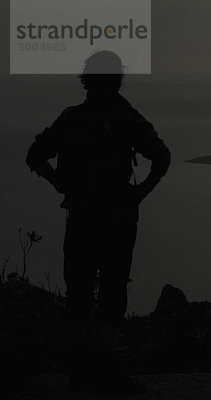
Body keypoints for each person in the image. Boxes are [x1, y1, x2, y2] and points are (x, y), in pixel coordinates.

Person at [26, 50, 170, 394]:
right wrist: (140, 193)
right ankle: (105, 371)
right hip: (118, 219)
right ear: (115, 80)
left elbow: (35, 156)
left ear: (86, 80)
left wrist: (60, 182)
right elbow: (161, 156)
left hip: (83, 218)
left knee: (79, 291)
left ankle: (83, 373)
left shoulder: (72, 117)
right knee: (111, 292)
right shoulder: (124, 116)